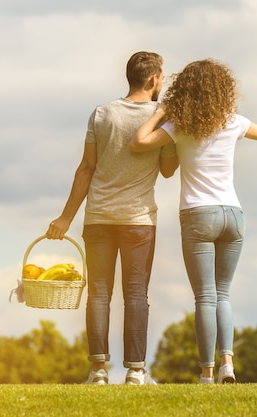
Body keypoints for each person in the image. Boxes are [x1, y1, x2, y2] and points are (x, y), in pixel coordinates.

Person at [130, 59, 257, 384]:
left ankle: (207, 374)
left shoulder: (179, 124)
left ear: (185, 91)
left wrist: (159, 112)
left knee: (205, 297)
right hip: (233, 215)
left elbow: (138, 142)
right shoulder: (232, 121)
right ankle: (228, 365)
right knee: (223, 294)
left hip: (198, 215)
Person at [46, 51, 178, 385]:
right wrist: (176, 138)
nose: (162, 82)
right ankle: (135, 371)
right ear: (153, 79)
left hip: (99, 217)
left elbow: (86, 168)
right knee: (136, 294)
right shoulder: (161, 117)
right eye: (162, 77)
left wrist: (65, 217)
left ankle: (98, 371)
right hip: (138, 220)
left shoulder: (102, 113)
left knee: (99, 294)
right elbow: (166, 171)